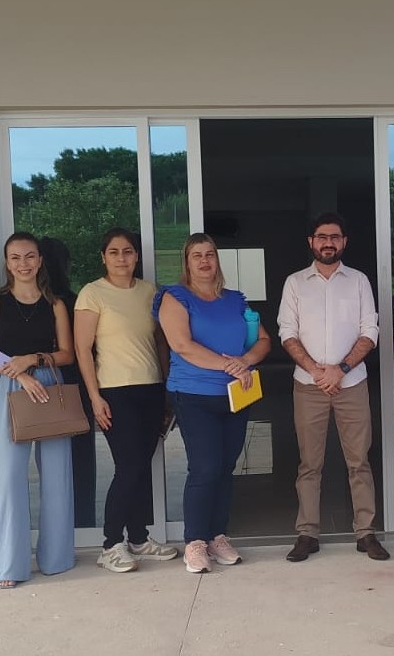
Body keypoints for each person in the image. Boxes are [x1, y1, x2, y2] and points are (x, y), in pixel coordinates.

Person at [154, 233, 272, 574]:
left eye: (210, 254)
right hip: (193, 395)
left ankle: (218, 536)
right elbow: (182, 345)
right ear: (187, 262)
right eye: (197, 255)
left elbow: (264, 340)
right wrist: (230, 365)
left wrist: (245, 360)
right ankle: (195, 541)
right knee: (205, 467)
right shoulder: (175, 297)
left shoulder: (235, 300)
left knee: (225, 467)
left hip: (236, 395)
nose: (205, 261)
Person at [278, 212, 386, 563]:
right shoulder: (295, 283)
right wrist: (316, 371)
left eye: (335, 237)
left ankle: (365, 532)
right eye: (322, 237)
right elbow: (287, 332)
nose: (328, 242)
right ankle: (307, 533)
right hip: (308, 385)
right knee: (309, 464)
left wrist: (340, 370)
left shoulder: (358, 281)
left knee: (359, 461)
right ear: (311, 241)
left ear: (344, 242)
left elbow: (370, 331)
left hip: (351, 383)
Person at [74, 228, 179, 573]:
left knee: (141, 467)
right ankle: (109, 545)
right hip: (114, 392)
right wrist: (94, 397)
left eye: (128, 251)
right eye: (114, 252)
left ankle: (138, 537)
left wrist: (167, 386)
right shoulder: (92, 294)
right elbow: (82, 349)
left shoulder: (150, 292)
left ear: (137, 256)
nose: (122, 258)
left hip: (150, 388)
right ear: (103, 257)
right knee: (129, 467)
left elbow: (160, 343)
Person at [0, 232, 77, 589]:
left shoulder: (55, 304)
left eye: (30, 256)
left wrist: (33, 360)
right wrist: (19, 373)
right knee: (10, 477)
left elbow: (67, 353)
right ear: (7, 263)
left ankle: (57, 558)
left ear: (40, 261)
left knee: (56, 474)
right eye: (16, 257)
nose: (23, 263)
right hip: (12, 387)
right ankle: (10, 564)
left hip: (50, 386)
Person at [40, 236, 98, 531]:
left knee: (50, 462)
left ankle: (58, 528)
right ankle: (83, 525)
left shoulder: (44, 303)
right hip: (76, 386)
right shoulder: (74, 302)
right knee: (80, 461)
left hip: (45, 386)